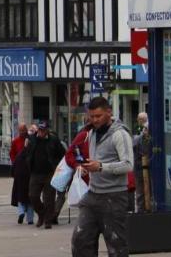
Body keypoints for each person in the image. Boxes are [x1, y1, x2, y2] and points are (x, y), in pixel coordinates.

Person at [71, 97, 133, 257]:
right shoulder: (90, 132)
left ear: (108, 112)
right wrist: (85, 168)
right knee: (80, 239)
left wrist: (100, 167)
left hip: (114, 196)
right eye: (91, 116)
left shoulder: (120, 134)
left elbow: (128, 164)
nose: (94, 120)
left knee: (116, 245)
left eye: (98, 116)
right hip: (92, 194)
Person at [26, 120, 64, 229]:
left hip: (49, 173)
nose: (42, 132)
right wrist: (28, 163)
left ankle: (48, 220)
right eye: (40, 130)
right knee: (33, 196)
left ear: (47, 130)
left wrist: (57, 167)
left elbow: (61, 154)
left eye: (44, 130)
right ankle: (41, 213)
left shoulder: (54, 140)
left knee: (49, 198)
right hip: (35, 172)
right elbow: (27, 153)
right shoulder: (32, 139)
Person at [9, 123, 32, 225]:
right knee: (25, 194)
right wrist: (15, 163)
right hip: (22, 169)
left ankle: (22, 212)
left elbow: (13, 155)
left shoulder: (30, 140)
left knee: (21, 193)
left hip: (25, 170)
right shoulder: (16, 141)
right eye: (20, 130)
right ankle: (28, 217)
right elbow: (12, 154)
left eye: (23, 130)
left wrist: (15, 164)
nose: (22, 132)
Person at [133, 112, 153, 213]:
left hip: (146, 168)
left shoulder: (147, 138)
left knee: (148, 191)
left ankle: (147, 210)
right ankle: (141, 211)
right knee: (140, 193)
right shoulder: (138, 135)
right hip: (139, 168)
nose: (145, 131)